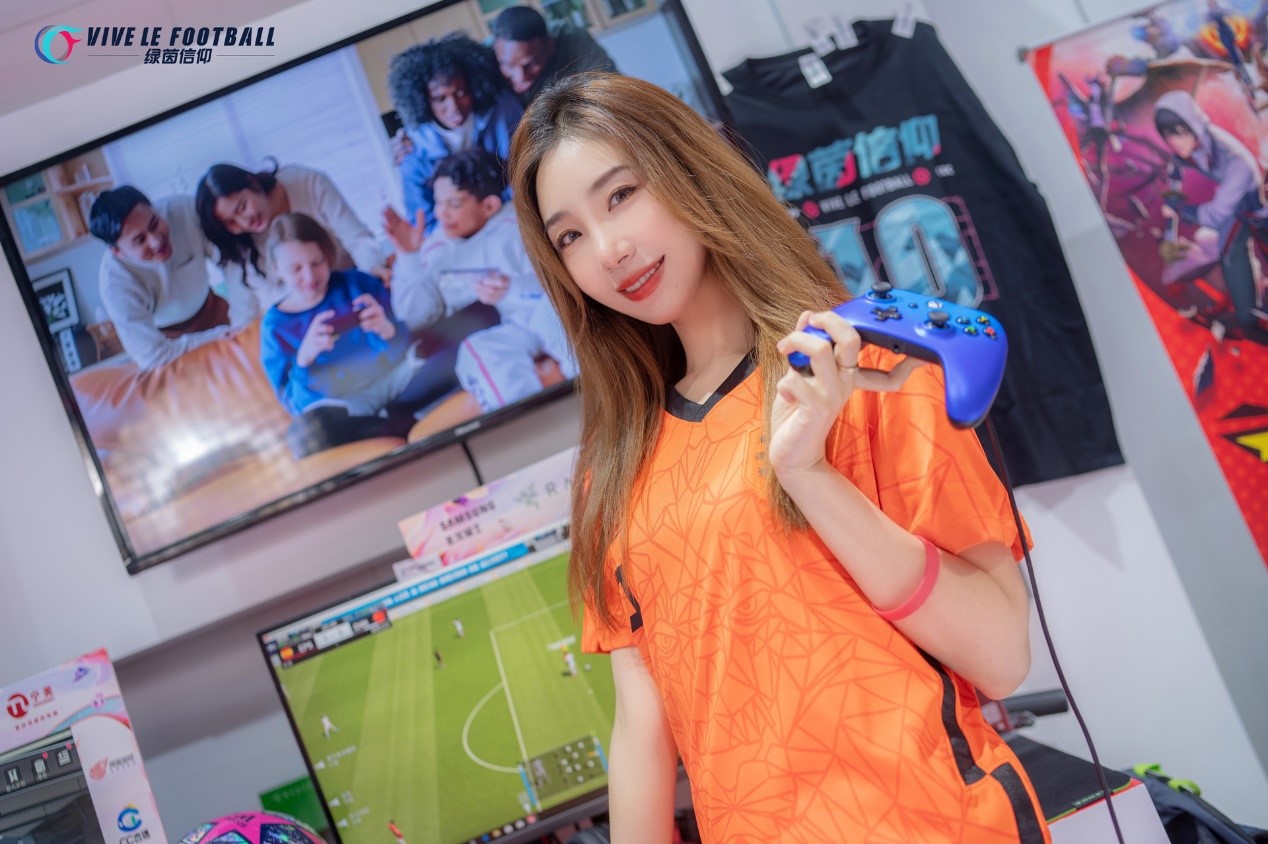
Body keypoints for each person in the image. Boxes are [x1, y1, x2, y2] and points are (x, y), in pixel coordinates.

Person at [508, 74, 1046, 842]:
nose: (608, 249)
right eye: (569, 237)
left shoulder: (868, 368)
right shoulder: (613, 470)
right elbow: (641, 729)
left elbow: (1001, 656)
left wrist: (808, 476)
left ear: (688, 171)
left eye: (621, 195)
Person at [389, 148, 576, 412]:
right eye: (438, 203)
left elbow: (559, 284)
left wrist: (511, 290)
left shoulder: (519, 227)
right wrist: (409, 257)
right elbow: (416, 317)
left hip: (540, 312)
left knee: (555, 318)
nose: (441, 214)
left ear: (489, 206)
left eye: (454, 204)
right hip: (503, 330)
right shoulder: (435, 248)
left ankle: (591, 387)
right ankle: (526, 418)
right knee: (478, 350)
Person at [258, 213, 434, 457]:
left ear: (328, 256)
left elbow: (410, 343)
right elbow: (297, 406)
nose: (309, 277)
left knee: (449, 340)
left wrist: (390, 331)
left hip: (398, 381)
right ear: (277, 269)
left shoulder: (359, 283)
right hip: (346, 405)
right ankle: (402, 421)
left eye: (317, 263)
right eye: (296, 269)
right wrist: (304, 360)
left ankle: (395, 420)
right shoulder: (275, 327)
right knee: (306, 436)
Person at [196, 160, 385, 319]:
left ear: (252, 182)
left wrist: (372, 278)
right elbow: (261, 301)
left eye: (242, 207)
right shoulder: (240, 241)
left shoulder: (307, 183)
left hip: (350, 286)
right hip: (304, 312)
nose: (245, 222)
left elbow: (358, 240)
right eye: (231, 222)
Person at [89, 186, 251, 370]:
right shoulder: (115, 285)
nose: (156, 241)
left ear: (155, 208)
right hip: (170, 340)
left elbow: (233, 262)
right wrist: (219, 337)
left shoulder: (186, 210)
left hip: (214, 309)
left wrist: (243, 321)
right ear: (117, 252)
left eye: (154, 224)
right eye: (140, 240)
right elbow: (152, 356)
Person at [1153, 90, 1268, 345]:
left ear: (1194, 127)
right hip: (1234, 214)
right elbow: (1176, 169)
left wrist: (1181, 209)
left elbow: (1215, 215)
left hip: (1255, 211)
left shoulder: (1235, 161)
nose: (1174, 142)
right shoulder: (1192, 147)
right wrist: (1174, 188)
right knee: (1233, 263)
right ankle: (1249, 319)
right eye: (1169, 135)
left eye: (1179, 133)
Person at [384, 33, 523, 241]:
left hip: (513, 221)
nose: (454, 107)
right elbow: (424, 224)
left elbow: (524, 176)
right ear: (424, 101)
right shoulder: (412, 152)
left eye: (460, 93)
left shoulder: (503, 112)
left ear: (473, 87)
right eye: (440, 98)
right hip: (459, 242)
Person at [492, 6, 617, 105]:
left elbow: (612, 92)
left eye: (531, 64)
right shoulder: (484, 60)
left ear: (549, 46)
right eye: (507, 65)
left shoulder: (575, 42)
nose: (520, 78)